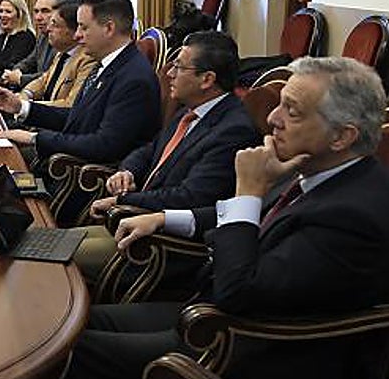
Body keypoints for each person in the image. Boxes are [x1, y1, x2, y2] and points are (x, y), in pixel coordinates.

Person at [57, 56, 389, 379]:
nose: (272, 118)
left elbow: (237, 290)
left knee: (68, 352)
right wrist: (165, 218)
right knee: (78, 321)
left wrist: (248, 189)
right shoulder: (318, 167)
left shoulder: (354, 215)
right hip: (219, 319)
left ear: (342, 136)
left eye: (292, 111)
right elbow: (257, 218)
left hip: (260, 354)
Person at [69, 31, 260, 278]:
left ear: (207, 79)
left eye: (179, 67)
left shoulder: (233, 131)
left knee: (54, 257)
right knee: (46, 244)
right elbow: (150, 149)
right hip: (134, 221)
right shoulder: (191, 110)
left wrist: (123, 200)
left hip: (161, 245)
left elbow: (188, 197)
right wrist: (128, 171)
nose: (169, 73)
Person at [0, 0, 161, 164]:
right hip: (69, 153)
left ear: (109, 28)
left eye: (83, 27)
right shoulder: (106, 63)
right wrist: (21, 107)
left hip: (84, 169)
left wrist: (35, 138)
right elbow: (77, 116)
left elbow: (104, 145)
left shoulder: (134, 78)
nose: (77, 35)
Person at [19, 0, 97, 107]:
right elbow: (43, 81)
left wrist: (26, 105)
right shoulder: (62, 53)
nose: (48, 29)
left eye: (55, 25)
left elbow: (70, 105)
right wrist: (26, 94)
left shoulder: (87, 60)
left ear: (74, 31)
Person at [1, 0, 64, 89]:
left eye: (45, 11)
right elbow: (30, 61)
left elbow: (52, 76)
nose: (38, 17)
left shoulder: (65, 40)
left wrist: (20, 78)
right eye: (36, 11)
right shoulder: (43, 36)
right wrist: (15, 71)